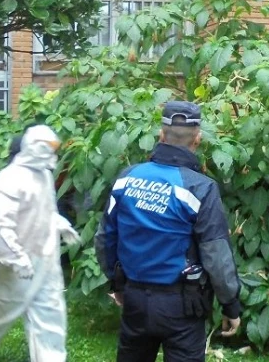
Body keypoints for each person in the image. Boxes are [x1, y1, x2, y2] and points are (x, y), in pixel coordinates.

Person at [94, 100, 243, 362]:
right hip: (182, 307)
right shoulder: (200, 188)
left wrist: (116, 283)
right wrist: (230, 305)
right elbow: (216, 254)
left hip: (135, 300)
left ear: (161, 135)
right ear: (197, 139)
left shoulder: (127, 178)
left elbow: (105, 237)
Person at [0, 125, 82, 362]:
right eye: (47, 147)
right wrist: (15, 257)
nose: (52, 153)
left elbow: (44, 210)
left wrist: (59, 224)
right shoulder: (9, 180)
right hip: (13, 265)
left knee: (50, 313)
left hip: (45, 258)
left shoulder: (44, 176)